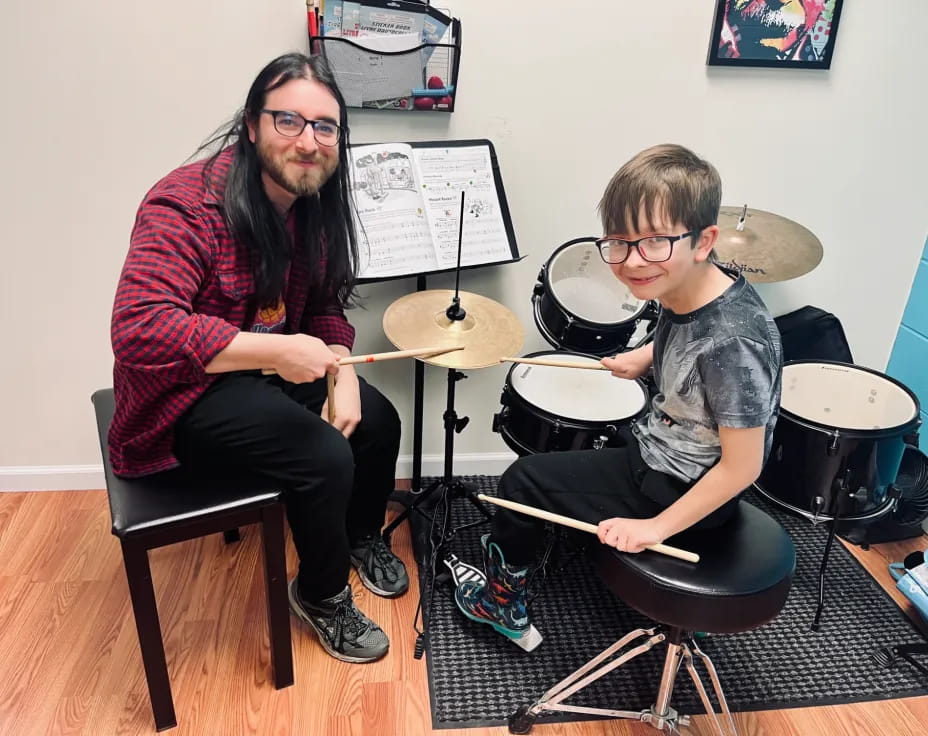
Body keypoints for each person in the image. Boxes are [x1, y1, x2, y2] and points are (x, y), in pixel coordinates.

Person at [109, 53, 407, 664]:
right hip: (185, 393)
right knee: (322, 453)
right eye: (289, 121)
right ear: (251, 124)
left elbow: (325, 308)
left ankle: (358, 536)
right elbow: (138, 329)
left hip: (267, 368)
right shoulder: (185, 203)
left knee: (377, 422)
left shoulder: (313, 207)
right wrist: (279, 350)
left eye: (325, 127)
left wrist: (340, 368)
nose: (309, 141)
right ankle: (321, 595)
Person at [455, 144, 783, 646]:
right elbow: (687, 323)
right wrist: (646, 355)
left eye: (653, 241)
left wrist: (654, 529)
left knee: (522, 482)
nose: (631, 262)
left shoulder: (734, 342)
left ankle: (501, 604)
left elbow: (744, 467)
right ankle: (522, 538)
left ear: (704, 240)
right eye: (618, 242)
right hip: (661, 448)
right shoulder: (692, 283)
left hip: (680, 487)